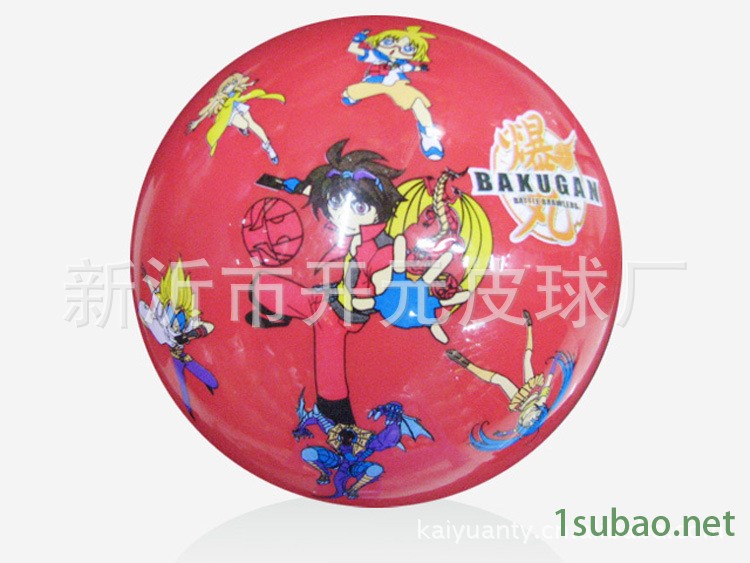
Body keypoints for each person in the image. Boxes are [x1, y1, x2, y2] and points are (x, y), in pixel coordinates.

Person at [342, 26, 444, 161]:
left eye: (407, 49)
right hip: (375, 82)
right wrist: (358, 39)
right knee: (350, 93)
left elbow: (411, 67)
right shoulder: (376, 56)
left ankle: (429, 136)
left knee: (417, 101)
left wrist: (420, 68)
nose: (396, 49)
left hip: (396, 85)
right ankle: (350, 95)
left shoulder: (401, 63)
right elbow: (353, 49)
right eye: (389, 42)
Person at [187, 72, 285, 163]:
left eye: (233, 83)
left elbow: (244, 85)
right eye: (227, 85)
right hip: (228, 113)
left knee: (253, 124)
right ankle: (242, 127)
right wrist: (197, 122)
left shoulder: (236, 90)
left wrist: (250, 84)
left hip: (239, 105)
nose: (231, 86)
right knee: (245, 124)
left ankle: (268, 146)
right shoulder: (219, 98)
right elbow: (208, 110)